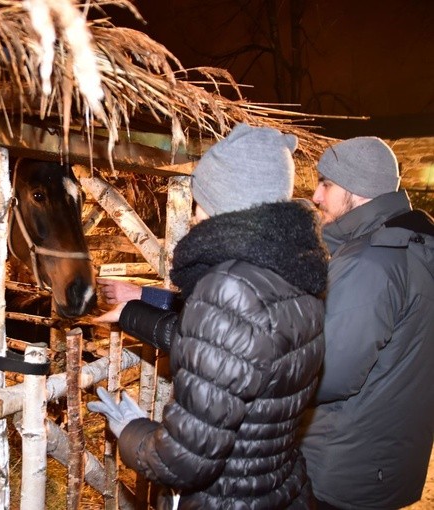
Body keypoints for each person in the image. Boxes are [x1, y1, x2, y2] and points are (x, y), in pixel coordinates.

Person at [88, 122, 329, 508]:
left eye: (201, 200)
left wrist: (131, 431)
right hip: (275, 489)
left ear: (227, 203)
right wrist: (132, 313)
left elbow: (183, 462)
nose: (195, 214)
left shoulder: (228, 286)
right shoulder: (297, 279)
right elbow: (230, 350)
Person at [299, 136, 434, 509]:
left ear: (355, 190)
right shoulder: (417, 247)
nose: (316, 196)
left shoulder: (371, 262)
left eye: (325, 184)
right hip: (386, 462)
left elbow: (328, 375)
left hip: (342, 467)